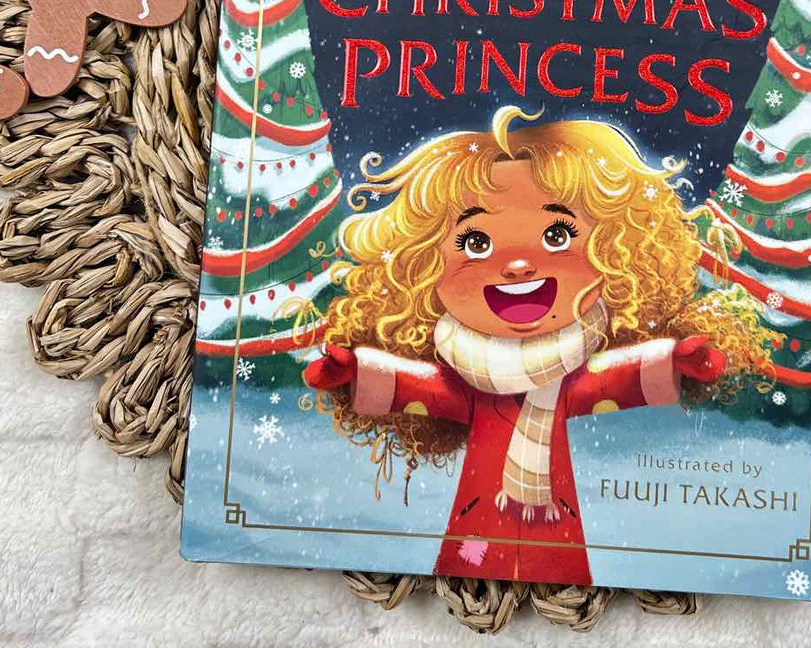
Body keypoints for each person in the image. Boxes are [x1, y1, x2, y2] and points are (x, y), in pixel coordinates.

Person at [303, 106, 769, 584]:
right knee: (470, 571)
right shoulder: (466, 380)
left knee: (556, 569)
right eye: (476, 243)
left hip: (556, 541)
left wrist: (678, 361)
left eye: (556, 234)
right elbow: (420, 388)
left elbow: (616, 379)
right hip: (474, 541)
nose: (519, 264)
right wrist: (353, 373)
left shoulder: (573, 373)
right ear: (424, 268)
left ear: (611, 254)